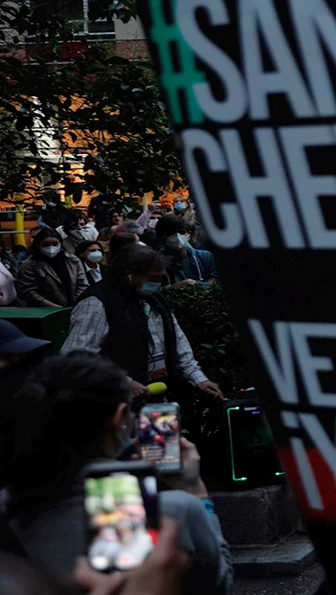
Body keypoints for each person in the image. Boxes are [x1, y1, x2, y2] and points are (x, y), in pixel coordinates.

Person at [0, 355, 233, 595]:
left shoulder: (8, 505)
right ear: (120, 418)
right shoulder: (173, 511)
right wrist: (196, 492)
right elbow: (218, 584)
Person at [61, 244, 223, 400]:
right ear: (129, 275)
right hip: (115, 401)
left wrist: (199, 379)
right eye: (153, 278)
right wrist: (124, 382)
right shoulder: (97, 302)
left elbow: (178, 341)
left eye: (161, 277)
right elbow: (76, 359)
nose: (159, 283)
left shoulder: (154, 298)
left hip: (158, 395)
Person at [16, 227, 89, 308]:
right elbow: (28, 292)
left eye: (55, 244)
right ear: (38, 245)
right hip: (43, 311)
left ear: (61, 244)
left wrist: (74, 304)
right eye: (45, 245)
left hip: (74, 307)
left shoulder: (73, 260)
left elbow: (83, 284)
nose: (51, 248)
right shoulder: (29, 265)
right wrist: (56, 308)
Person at [153, 216, 217, 287]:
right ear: (161, 237)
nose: (178, 236)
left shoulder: (205, 257)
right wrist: (175, 287)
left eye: (181, 232)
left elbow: (214, 282)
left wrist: (198, 285)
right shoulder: (154, 263)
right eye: (170, 233)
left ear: (189, 234)